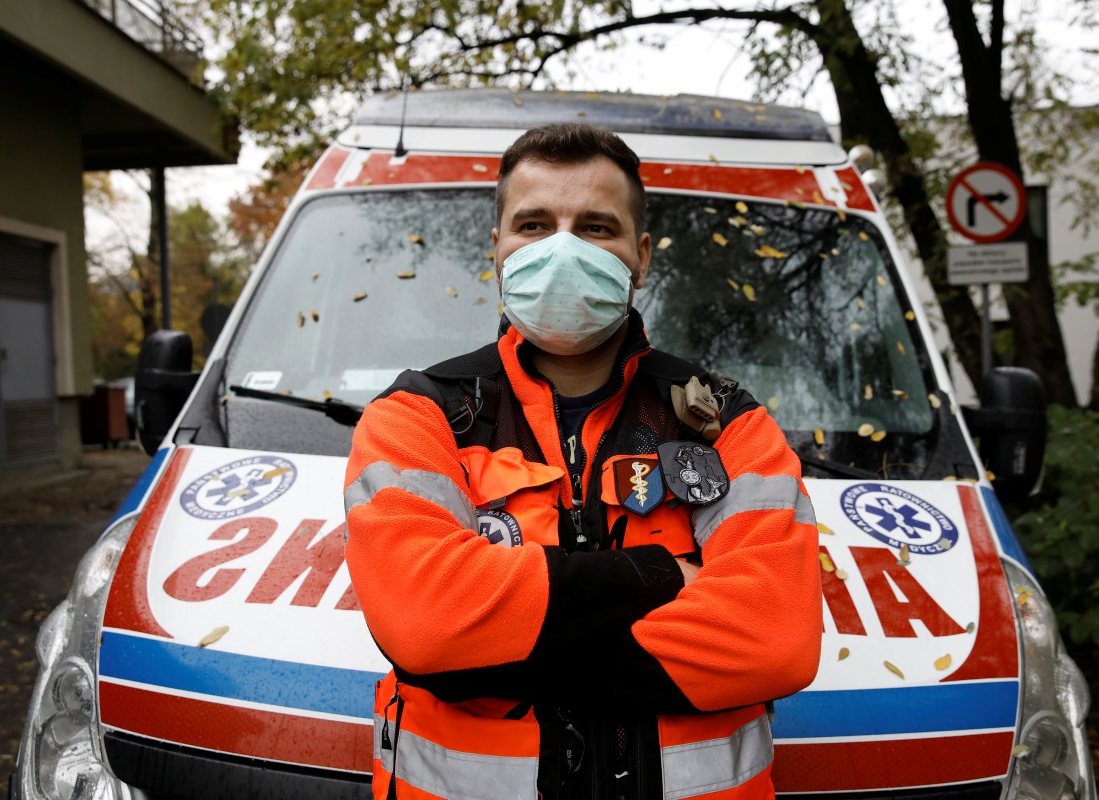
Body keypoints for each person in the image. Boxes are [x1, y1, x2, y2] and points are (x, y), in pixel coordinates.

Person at [344, 123, 822, 800]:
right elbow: (427, 625)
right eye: (534, 224)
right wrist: (664, 576)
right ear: (499, 250)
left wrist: (502, 643)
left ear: (642, 255)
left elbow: (778, 637)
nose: (562, 248)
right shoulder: (419, 414)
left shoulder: (725, 418)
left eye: (596, 227)